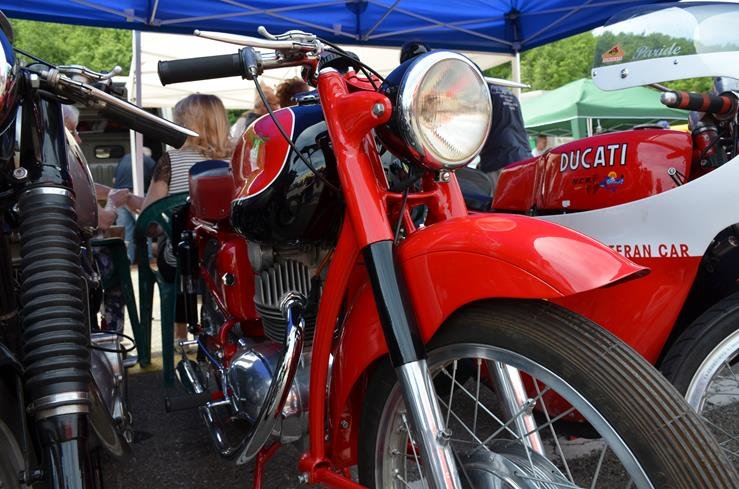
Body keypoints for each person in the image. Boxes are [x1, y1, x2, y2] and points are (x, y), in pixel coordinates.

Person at [126, 93, 232, 340]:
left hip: (181, 261)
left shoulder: (171, 160)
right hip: (227, 258)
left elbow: (150, 221)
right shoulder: (236, 159)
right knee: (207, 251)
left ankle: (180, 335)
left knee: (180, 244)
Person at [63, 104, 127, 332]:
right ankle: (112, 337)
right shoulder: (63, 169)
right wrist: (113, 202)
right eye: (73, 131)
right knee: (119, 270)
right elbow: (104, 220)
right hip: (75, 259)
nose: (79, 139)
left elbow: (87, 186)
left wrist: (113, 193)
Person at [113, 148, 156, 262]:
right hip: (138, 195)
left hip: (119, 195)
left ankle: (127, 259)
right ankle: (148, 257)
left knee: (126, 231)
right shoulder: (148, 160)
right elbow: (156, 182)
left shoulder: (124, 159)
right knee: (145, 227)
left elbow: (114, 179)